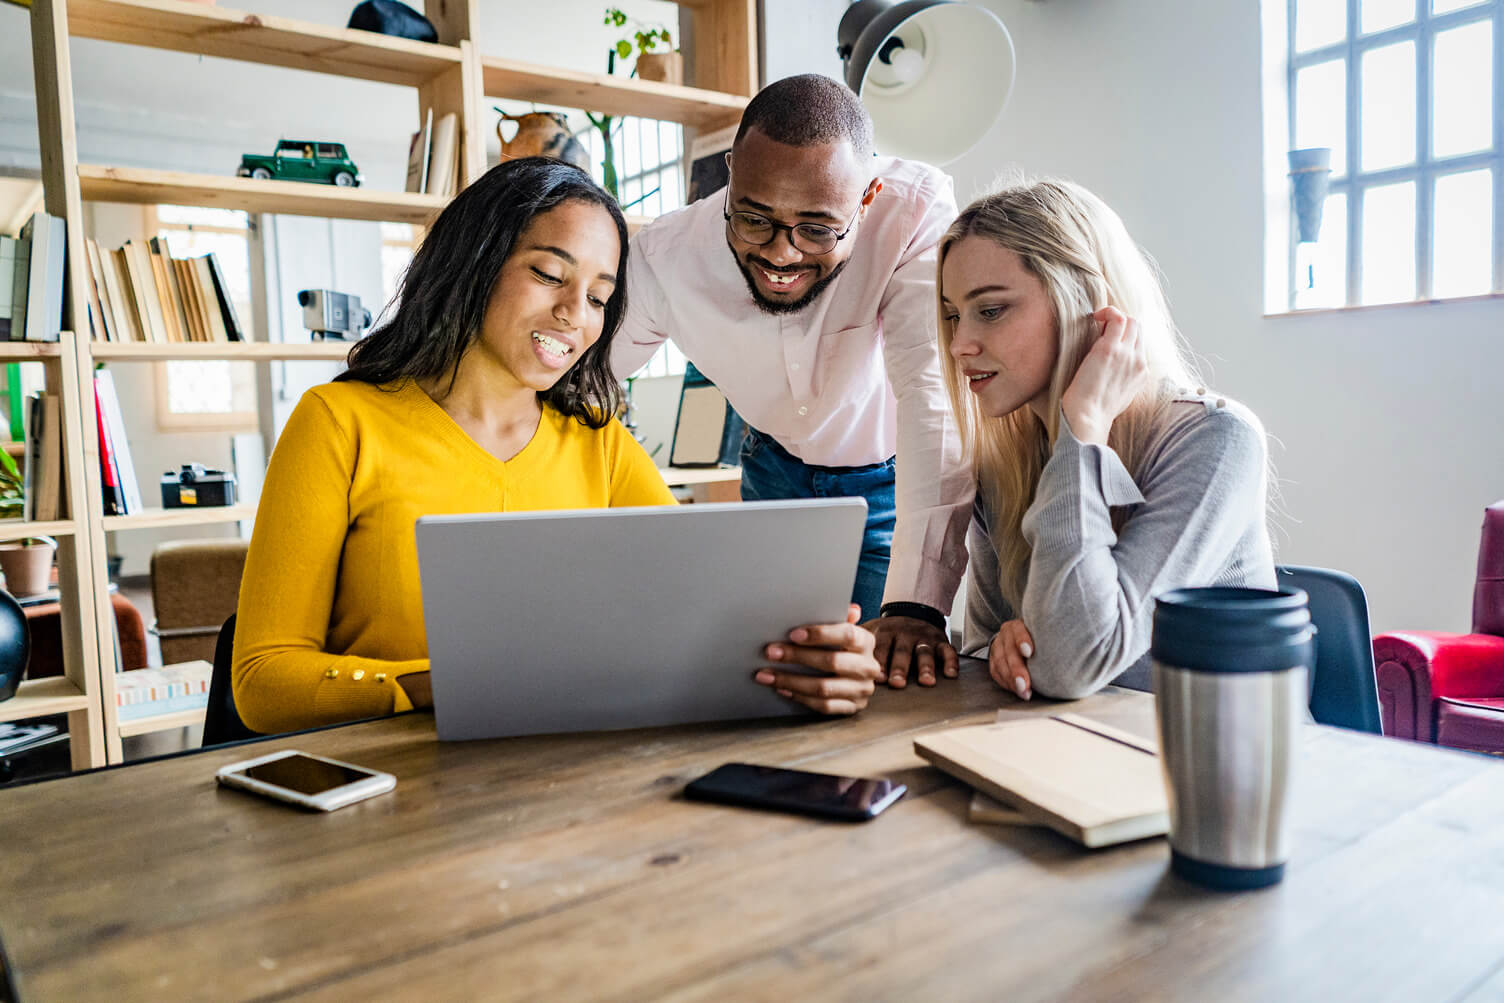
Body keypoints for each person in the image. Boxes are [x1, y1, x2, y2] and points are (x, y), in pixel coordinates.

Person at [233, 158, 881, 735]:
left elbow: (706, 623)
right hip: (388, 796)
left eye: (600, 297)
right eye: (549, 274)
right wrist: (434, 685)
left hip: (562, 792)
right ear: (478, 260)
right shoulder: (338, 423)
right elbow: (262, 681)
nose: (578, 313)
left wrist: (815, 656)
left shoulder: (599, 444)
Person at [613, 73, 973, 691]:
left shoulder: (912, 213)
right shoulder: (666, 257)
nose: (782, 254)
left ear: (867, 197)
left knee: (879, 683)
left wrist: (917, 605)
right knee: (774, 678)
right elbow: (585, 378)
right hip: (771, 470)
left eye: (816, 229)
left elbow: (931, 393)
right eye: (753, 219)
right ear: (731, 172)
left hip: (889, 484)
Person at [933, 179, 1275, 699]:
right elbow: (985, 658)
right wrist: (1009, 648)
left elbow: (1070, 664)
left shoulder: (1216, 440)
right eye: (954, 314)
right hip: (1075, 750)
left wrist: (1083, 429)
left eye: (991, 309)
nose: (960, 344)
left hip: (1213, 761)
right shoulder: (1002, 463)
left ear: (1082, 301)